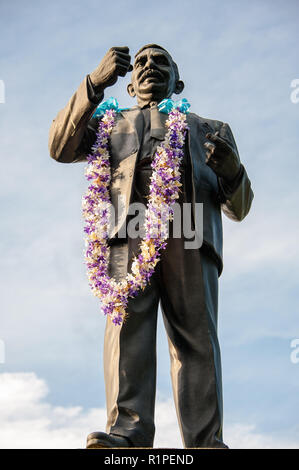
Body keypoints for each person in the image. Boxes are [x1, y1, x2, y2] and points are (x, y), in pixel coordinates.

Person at [49, 44, 253, 449]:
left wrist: (232, 170)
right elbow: (60, 146)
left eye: (160, 61)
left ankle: (205, 441)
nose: (148, 66)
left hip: (189, 234)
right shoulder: (109, 125)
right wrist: (93, 83)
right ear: (127, 86)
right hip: (128, 234)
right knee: (127, 332)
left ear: (178, 82)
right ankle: (128, 432)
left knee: (195, 336)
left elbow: (241, 207)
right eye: (141, 61)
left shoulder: (209, 128)